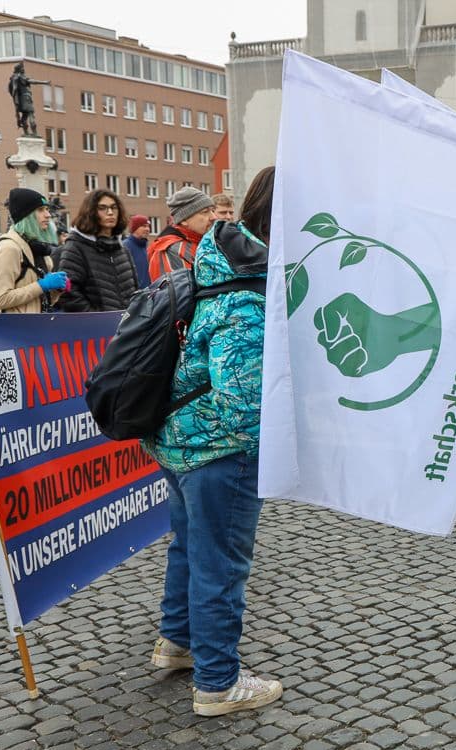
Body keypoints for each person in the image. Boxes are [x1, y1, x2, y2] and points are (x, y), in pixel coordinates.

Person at [142, 166, 281, 717]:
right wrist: (273, 448)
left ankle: (176, 642)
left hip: (179, 436)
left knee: (190, 545)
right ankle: (218, 682)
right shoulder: (249, 288)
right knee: (219, 562)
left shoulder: (220, 260)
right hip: (218, 448)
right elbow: (240, 396)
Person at [55, 190, 137, 312]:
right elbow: (69, 293)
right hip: (94, 322)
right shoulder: (75, 247)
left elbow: (134, 291)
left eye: (114, 207)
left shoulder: (122, 249)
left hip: (127, 321)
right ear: (91, 212)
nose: (110, 212)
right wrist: (96, 317)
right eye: (102, 208)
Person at [0, 188, 66, 313]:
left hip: (37, 324)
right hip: (15, 325)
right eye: (41, 210)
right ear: (26, 216)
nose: (48, 215)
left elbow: (41, 302)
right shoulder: (9, 248)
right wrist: (41, 285)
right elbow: (0, 299)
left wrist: (57, 290)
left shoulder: (40, 249)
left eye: (47, 209)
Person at [148, 188, 216, 281]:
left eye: (212, 211)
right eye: (205, 212)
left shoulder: (203, 242)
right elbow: (179, 289)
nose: (213, 217)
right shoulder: (172, 251)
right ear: (184, 220)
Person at [124, 214, 151, 289]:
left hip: (147, 292)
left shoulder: (145, 246)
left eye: (148, 226)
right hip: (134, 293)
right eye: (144, 226)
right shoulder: (126, 246)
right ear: (135, 228)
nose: (147, 229)